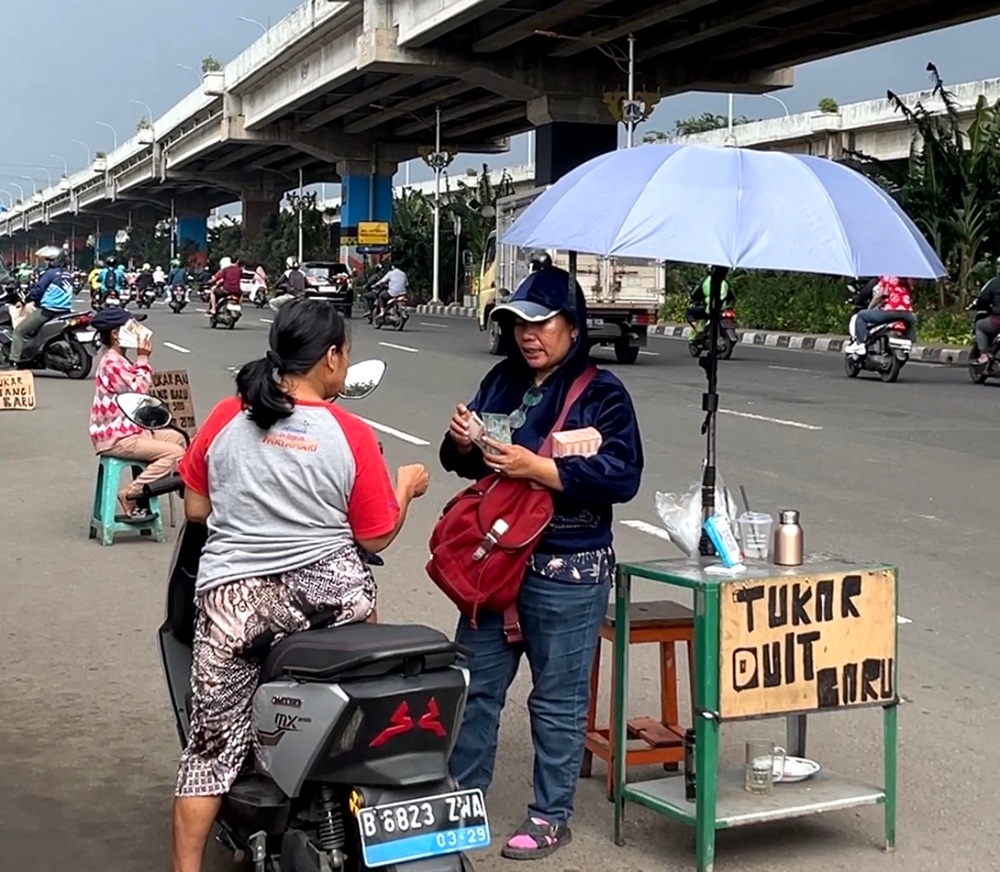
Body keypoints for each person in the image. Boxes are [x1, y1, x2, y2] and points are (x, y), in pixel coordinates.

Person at [170, 298, 430, 872]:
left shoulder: (224, 417)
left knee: (210, 750)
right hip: (331, 601)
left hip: (237, 604)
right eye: (347, 352)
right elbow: (377, 535)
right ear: (332, 359)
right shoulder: (352, 432)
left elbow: (194, 509)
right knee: (364, 660)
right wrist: (406, 487)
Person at [440, 264, 643, 860]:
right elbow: (469, 466)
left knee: (556, 700)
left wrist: (541, 469)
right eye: (518, 324)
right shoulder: (501, 379)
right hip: (493, 563)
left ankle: (549, 815)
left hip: (568, 568)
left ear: (572, 327)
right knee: (475, 688)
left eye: (541, 322)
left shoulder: (603, 393)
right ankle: (462, 801)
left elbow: (622, 476)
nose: (528, 335)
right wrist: (459, 441)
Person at [89, 308, 186, 520]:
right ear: (116, 334)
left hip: (132, 430)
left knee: (178, 439)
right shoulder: (112, 362)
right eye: (132, 327)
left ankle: (146, 493)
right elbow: (139, 389)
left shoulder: (121, 359)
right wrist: (143, 358)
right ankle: (131, 493)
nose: (139, 331)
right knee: (174, 454)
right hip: (117, 436)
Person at [6, 249, 73, 369]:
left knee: (19, 331)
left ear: (54, 261)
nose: (47, 262)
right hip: (65, 311)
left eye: (48, 260)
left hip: (48, 311)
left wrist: (27, 299)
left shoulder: (49, 274)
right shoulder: (68, 274)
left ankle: (14, 361)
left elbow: (38, 290)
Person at [845, 276, 917, 354]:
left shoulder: (888, 276)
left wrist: (869, 309)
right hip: (908, 313)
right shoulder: (909, 279)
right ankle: (908, 341)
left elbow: (881, 295)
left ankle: (860, 344)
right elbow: (912, 294)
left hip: (891, 311)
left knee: (862, 315)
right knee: (910, 322)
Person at [972, 266, 1000, 363]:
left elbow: (983, 299)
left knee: (980, 326)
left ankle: (983, 356)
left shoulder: (995, 283)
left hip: (997, 320)